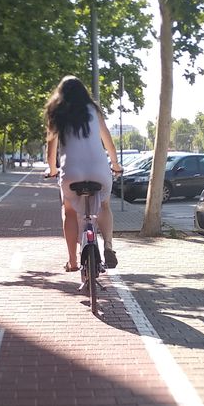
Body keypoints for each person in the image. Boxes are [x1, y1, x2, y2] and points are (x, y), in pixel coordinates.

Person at [43, 76, 123, 273]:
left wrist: (52, 169)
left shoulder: (57, 111)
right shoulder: (94, 110)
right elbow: (109, 143)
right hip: (99, 170)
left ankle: (72, 261)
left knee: (69, 211)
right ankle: (109, 247)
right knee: (104, 205)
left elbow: (51, 150)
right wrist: (115, 164)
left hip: (71, 171)